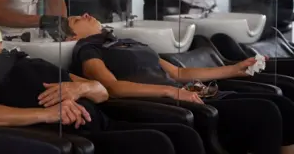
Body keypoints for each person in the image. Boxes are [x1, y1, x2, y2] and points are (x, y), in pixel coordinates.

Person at [0, 20, 205, 154]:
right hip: (73, 138)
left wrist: (79, 89)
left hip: (104, 122)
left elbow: (102, 91)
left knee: (186, 135)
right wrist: (50, 114)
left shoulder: (25, 59)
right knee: (157, 143)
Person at [68, 13, 294, 154]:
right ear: (71, 38)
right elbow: (113, 87)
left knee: (282, 104)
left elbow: (177, 71)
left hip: (192, 95)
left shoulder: (126, 42)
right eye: (77, 19)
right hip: (171, 106)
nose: (86, 14)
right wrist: (170, 92)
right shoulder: (88, 50)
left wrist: (234, 69)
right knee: (267, 111)